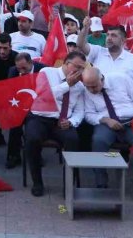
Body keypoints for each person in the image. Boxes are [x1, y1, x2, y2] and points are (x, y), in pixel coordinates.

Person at [81, 67, 133, 205]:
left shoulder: (121, 78)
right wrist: (105, 120)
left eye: (94, 86)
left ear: (101, 78)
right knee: (98, 141)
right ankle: (101, 183)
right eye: (88, 87)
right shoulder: (86, 90)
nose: (92, 90)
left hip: (130, 120)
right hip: (106, 123)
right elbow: (89, 114)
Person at [24, 51, 87, 197]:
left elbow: (80, 110)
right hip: (40, 117)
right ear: (66, 63)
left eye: (82, 68)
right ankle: (37, 182)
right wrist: (67, 85)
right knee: (32, 139)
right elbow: (44, 96)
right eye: (76, 67)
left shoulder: (80, 86)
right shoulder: (47, 72)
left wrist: (72, 122)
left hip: (63, 120)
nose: (79, 72)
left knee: (73, 140)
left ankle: (69, 184)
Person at [76, 19, 133, 89]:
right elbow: (80, 44)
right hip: (99, 100)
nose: (109, 38)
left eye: (113, 35)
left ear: (123, 40)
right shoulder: (98, 52)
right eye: (108, 35)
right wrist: (85, 28)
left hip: (124, 100)